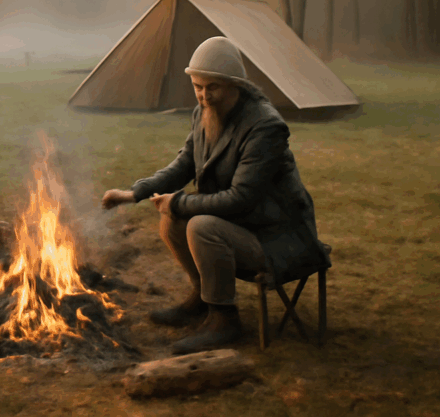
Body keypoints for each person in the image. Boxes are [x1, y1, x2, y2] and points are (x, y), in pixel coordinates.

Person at [101, 36, 331, 355]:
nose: (204, 96)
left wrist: (178, 202)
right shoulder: (204, 113)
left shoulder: (265, 127)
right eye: (197, 86)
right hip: (242, 226)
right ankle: (202, 297)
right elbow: (184, 164)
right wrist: (133, 194)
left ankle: (224, 320)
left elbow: (241, 199)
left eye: (213, 87)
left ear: (235, 85)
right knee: (173, 220)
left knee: (200, 225)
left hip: (278, 238)